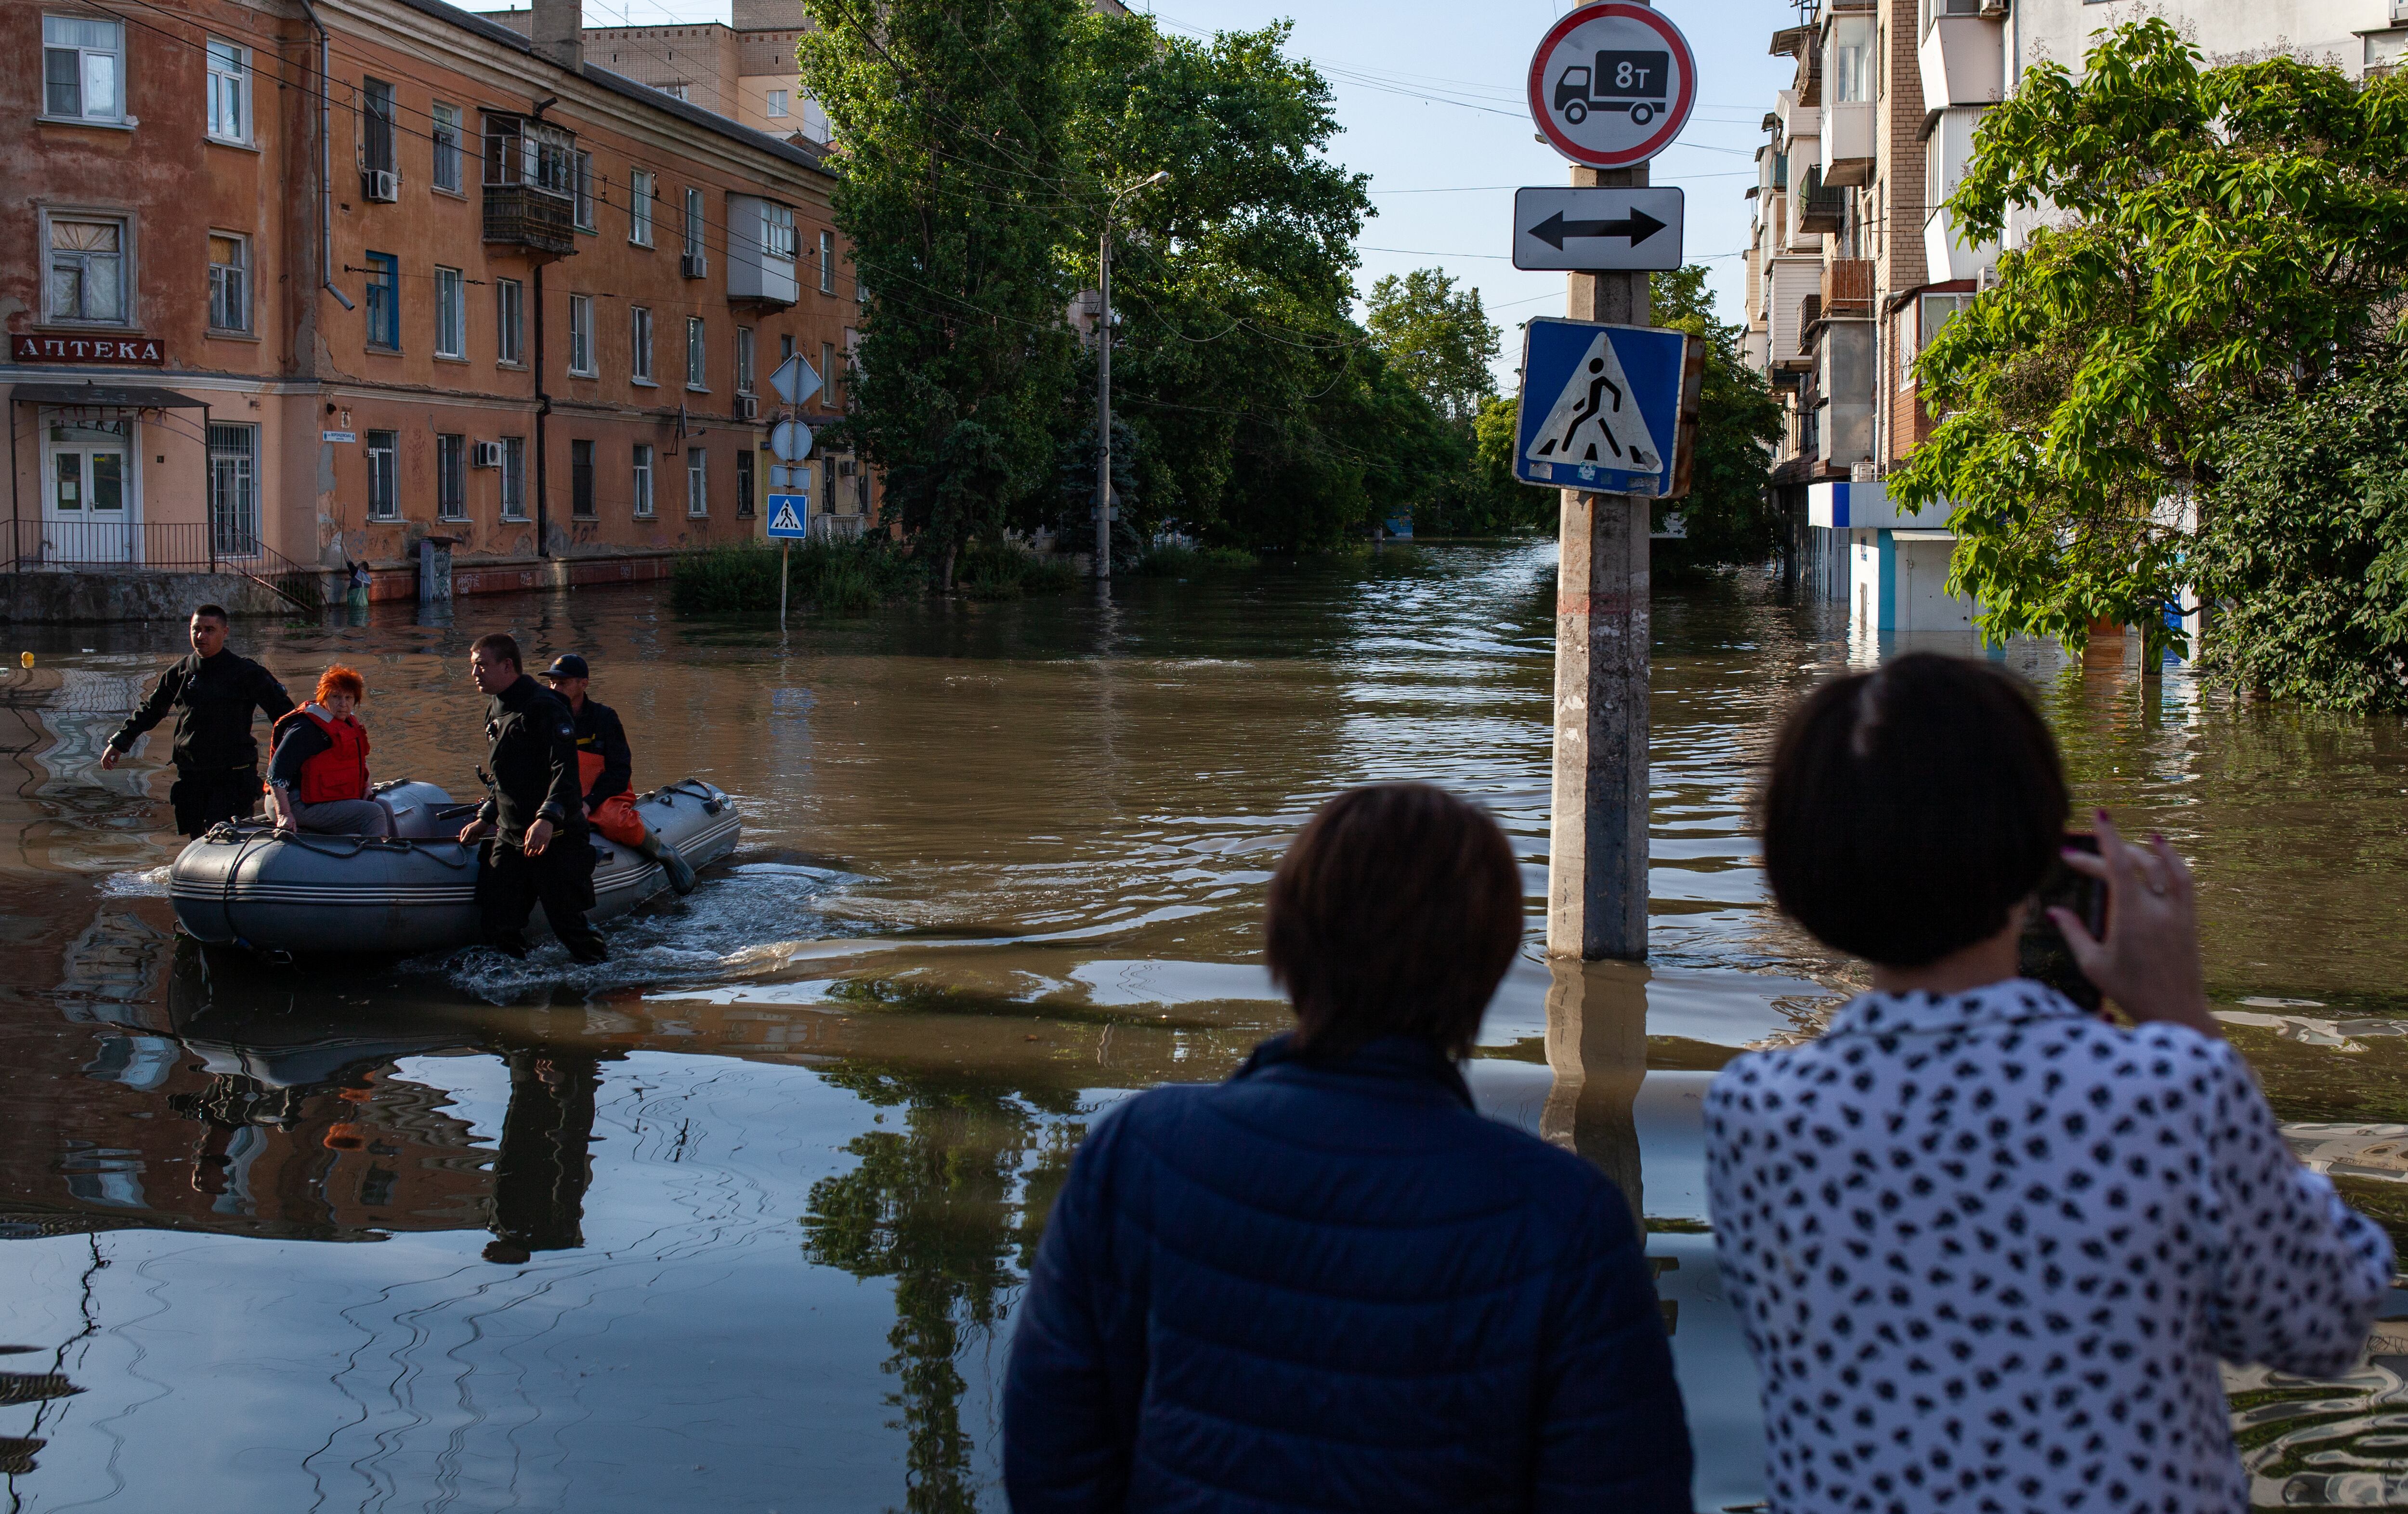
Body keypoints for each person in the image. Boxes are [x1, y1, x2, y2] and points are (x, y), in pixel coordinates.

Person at [1705, 653, 2392, 1514]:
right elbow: (2323, 1319)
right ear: (2036, 849)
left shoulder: (1755, 1112)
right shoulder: (2162, 1089)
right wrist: (2185, 1018)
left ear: (1801, 865)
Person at [1003, 782, 1694, 1513]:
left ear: (1285, 942)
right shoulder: (1568, 1220)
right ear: (1488, 972)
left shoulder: (1133, 1157)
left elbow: (1052, 1462)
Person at [455, 633, 608, 964]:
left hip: (556, 837)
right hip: (511, 837)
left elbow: (565, 772)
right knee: (499, 924)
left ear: (507, 665)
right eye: (473, 667)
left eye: (481, 666)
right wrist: (485, 818)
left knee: (570, 928)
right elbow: (505, 776)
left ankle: (606, 986)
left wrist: (547, 818)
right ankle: (511, 987)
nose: (475, 674)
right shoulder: (495, 708)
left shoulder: (545, 707)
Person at [102, 605, 294, 837]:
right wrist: (120, 742)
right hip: (192, 772)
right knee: (196, 839)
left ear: (225, 632)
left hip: (233, 773)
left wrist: (294, 761)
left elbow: (286, 718)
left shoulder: (246, 673)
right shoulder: (181, 672)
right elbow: (151, 710)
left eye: (209, 630)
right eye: (196, 629)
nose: (201, 636)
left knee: (225, 836)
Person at [536, 653, 697, 894]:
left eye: (563, 683)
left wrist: (589, 803)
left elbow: (620, 771)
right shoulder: (544, 718)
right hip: (561, 792)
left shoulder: (605, 718)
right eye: (552, 683)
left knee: (613, 821)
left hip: (604, 793)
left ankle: (664, 853)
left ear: (583, 684)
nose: (555, 688)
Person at [263, 664, 392, 837]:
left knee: (385, 807)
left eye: (348, 698)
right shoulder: (305, 728)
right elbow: (275, 774)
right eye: (336, 697)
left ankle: (401, 854)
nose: (343, 704)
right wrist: (285, 815)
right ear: (324, 698)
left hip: (320, 798)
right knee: (372, 813)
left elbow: (358, 761)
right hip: (295, 802)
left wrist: (366, 788)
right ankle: (377, 859)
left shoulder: (347, 723)